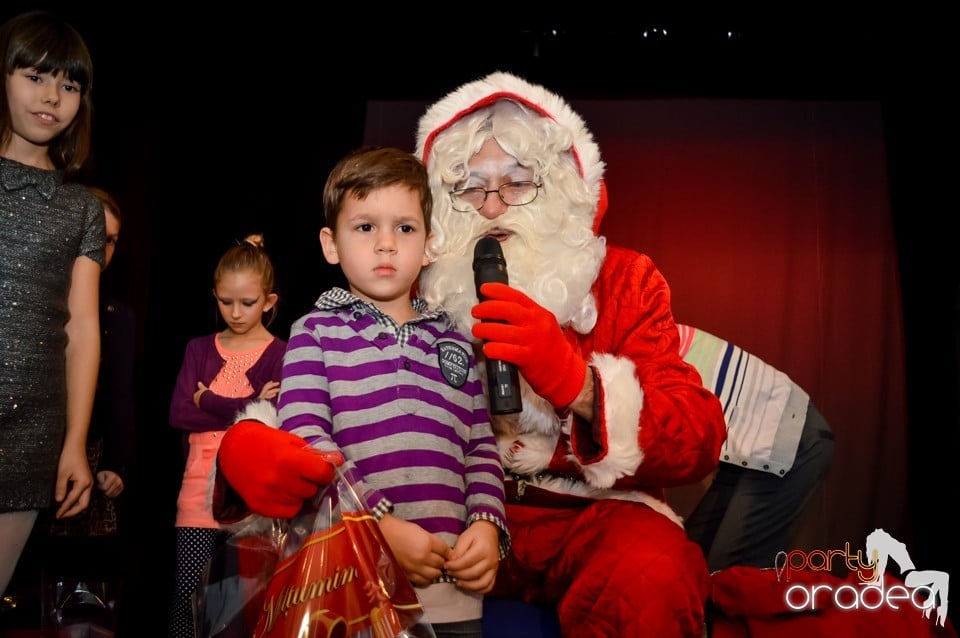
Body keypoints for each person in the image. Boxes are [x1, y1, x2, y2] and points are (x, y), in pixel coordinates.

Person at [219, 74, 727, 637]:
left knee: (653, 572)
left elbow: (700, 438)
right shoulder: (411, 281)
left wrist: (575, 383)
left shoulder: (624, 280)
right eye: (468, 187)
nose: (491, 207)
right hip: (436, 519)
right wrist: (252, 443)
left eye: (517, 184)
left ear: (562, 189)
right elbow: (327, 403)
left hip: (584, 519)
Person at [216, 146, 509, 638]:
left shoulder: (456, 341)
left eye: (405, 227)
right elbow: (307, 441)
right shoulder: (315, 332)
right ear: (331, 245)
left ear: (430, 243)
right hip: (352, 586)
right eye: (366, 227)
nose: (387, 245)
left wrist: (486, 524)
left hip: (453, 595)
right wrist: (377, 529)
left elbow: (479, 445)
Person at [0, 10, 104, 599]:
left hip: (31, 433)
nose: (52, 96)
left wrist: (74, 443)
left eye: (69, 84)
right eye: (35, 75)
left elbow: (84, 329)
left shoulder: (82, 208)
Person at [167, 234, 286, 638]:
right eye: (225, 301)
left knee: (244, 608)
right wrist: (248, 404)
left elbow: (270, 424)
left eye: (248, 303)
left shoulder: (281, 353)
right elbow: (179, 412)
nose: (235, 313)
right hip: (197, 499)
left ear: (269, 301)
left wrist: (209, 399)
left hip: (251, 507)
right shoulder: (199, 348)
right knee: (189, 602)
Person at [675, 323, 835, 572]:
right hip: (746, 452)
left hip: (788, 439)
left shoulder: (638, 338)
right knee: (690, 563)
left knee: (728, 578)